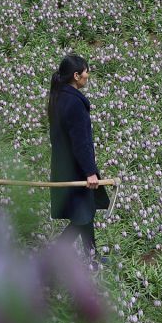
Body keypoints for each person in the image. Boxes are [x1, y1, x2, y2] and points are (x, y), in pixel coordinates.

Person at [48, 53, 108, 258]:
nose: (88, 76)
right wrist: (90, 172)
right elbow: (80, 142)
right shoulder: (74, 103)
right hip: (76, 169)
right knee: (81, 217)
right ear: (76, 75)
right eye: (86, 72)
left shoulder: (59, 97)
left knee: (85, 214)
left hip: (64, 166)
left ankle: (92, 257)